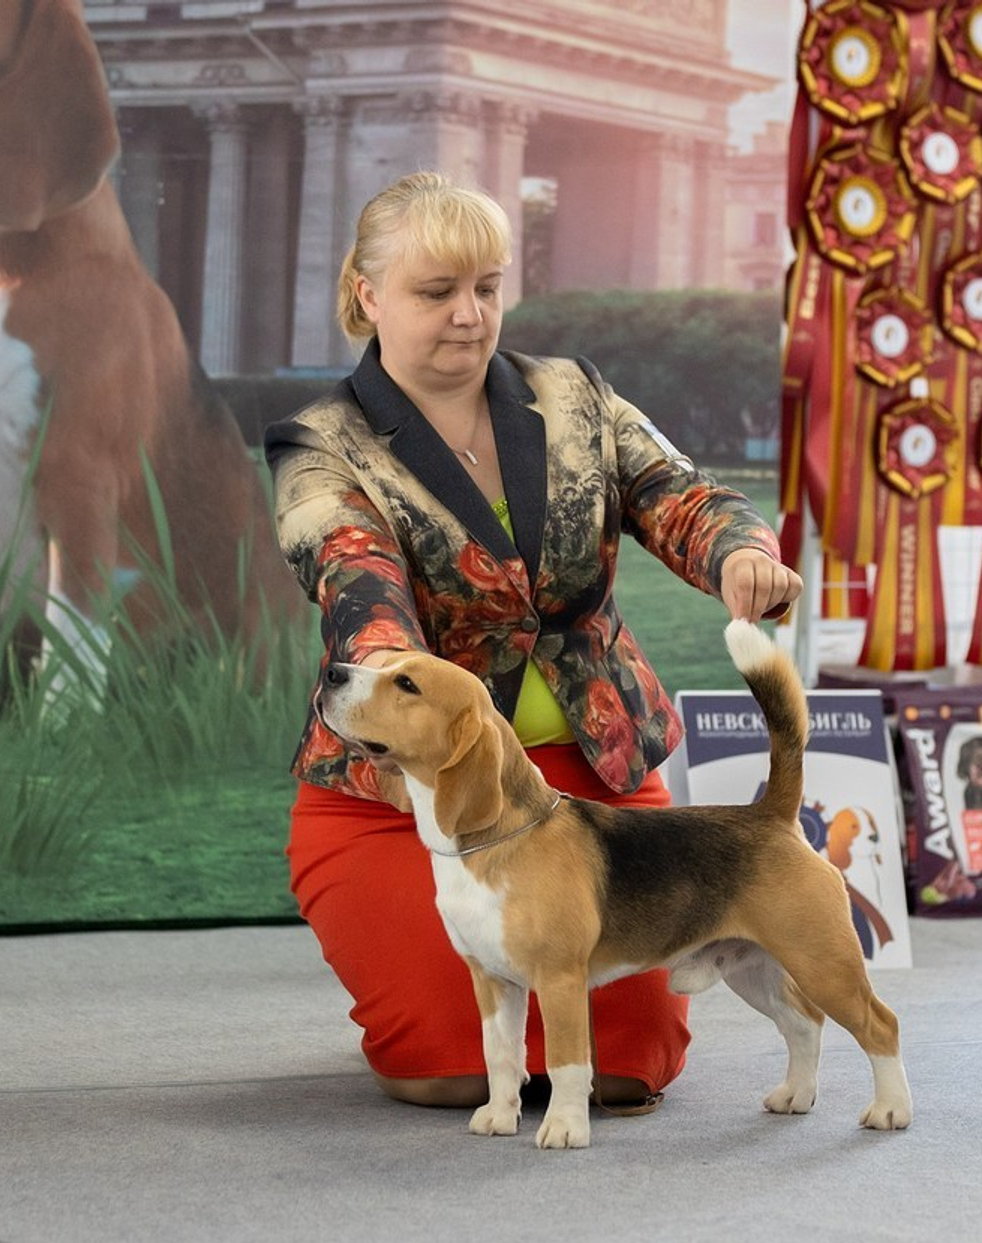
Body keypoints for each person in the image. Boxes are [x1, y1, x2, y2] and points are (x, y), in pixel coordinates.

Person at [265, 171, 803, 1114]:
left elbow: (682, 494)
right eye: (436, 292)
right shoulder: (319, 443)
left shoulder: (574, 396)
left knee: (629, 1069)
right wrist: (388, 663)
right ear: (366, 294)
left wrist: (740, 553)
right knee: (446, 1066)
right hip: (407, 797)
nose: (470, 317)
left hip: (589, 789)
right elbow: (352, 568)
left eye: (488, 287)